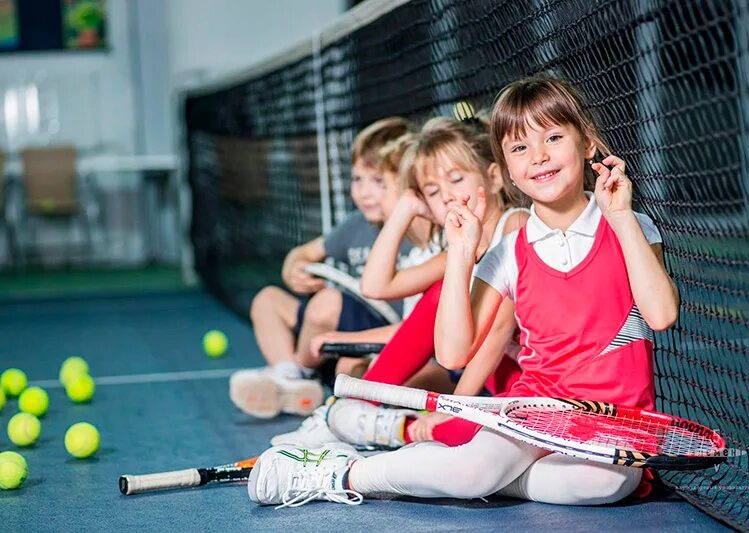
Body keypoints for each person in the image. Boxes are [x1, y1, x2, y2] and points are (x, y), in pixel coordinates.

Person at [247, 74, 679, 508]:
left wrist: (620, 217)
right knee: (473, 471)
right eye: (519, 148)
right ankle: (340, 473)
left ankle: (466, 472)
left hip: (615, 419)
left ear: (587, 142)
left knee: (603, 484)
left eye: (553, 137)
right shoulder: (510, 250)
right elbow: (453, 355)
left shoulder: (631, 225)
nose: (539, 157)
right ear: (506, 168)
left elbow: (661, 315)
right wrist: (460, 253)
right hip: (535, 407)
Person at [270, 113, 528, 451]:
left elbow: (497, 333)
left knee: (440, 302)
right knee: (439, 296)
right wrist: (406, 207)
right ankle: (353, 414)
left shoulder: (515, 225)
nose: (446, 196)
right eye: (432, 190)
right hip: (491, 377)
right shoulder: (458, 248)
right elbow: (376, 287)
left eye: (456, 179)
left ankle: (360, 416)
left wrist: (455, 407)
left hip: (529, 381)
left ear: (493, 178)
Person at [229, 117, 413, 419]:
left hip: (379, 334)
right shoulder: (355, 226)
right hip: (329, 332)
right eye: (357, 179)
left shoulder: (418, 231)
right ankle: (291, 374)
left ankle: (296, 375)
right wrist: (294, 268)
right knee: (267, 301)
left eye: (378, 181)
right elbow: (304, 253)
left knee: (336, 329)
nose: (364, 192)